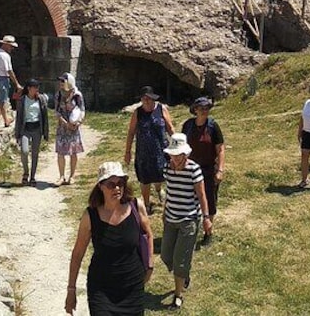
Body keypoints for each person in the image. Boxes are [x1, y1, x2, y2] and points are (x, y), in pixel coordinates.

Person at [65, 162, 153, 316]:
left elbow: (148, 234)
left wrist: (150, 265)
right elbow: (78, 253)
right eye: (111, 184)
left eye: (120, 183)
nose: (117, 188)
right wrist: (71, 290)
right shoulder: (90, 216)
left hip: (132, 286)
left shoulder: (136, 206)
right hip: (101, 288)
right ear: (100, 186)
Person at [161, 133, 211, 311]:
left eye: (178, 155)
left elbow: (202, 195)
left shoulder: (194, 170)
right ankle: (184, 275)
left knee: (180, 260)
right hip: (171, 218)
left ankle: (178, 295)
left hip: (188, 220)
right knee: (166, 256)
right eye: (172, 155)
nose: (174, 159)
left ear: (185, 155)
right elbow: (169, 191)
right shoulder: (167, 168)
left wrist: (206, 218)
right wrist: (165, 211)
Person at [181, 97, 225, 247]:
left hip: (208, 170)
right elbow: (182, 147)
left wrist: (220, 169)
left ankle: (208, 232)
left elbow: (220, 149)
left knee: (209, 201)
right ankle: (189, 230)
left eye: (206, 108)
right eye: (201, 108)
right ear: (195, 110)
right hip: (190, 169)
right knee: (190, 199)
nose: (204, 111)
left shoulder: (213, 126)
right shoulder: (187, 125)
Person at [124, 86, 175, 215]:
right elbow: (131, 132)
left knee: (160, 175)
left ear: (153, 98)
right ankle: (146, 204)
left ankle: (158, 190)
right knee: (145, 179)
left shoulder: (161, 109)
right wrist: (128, 152)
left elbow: (170, 128)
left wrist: (177, 146)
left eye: (148, 98)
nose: (146, 101)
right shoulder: (138, 112)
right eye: (143, 98)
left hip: (161, 150)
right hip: (144, 152)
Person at [14, 79, 49, 186]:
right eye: (35, 87)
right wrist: (17, 132)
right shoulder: (22, 100)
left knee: (35, 153)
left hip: (37, 128)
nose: (37, 90)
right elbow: (19, 117)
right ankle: (25, 173)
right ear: (29, 88)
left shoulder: (41, 99)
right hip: (25, 128)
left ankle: (33, 176)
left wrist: (45, 132)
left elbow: (45, 116)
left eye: (38, 87)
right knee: (24, 151)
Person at [55, 73, 85, 185]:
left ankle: (72, 176)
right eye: (60, 81)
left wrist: (78, 122)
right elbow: (57, 112)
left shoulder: (77, 95)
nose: (61, 84)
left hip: (74, 127)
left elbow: (82, 110)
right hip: (62, 127)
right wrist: (65, 123)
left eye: (63, 81)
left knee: (73, 152)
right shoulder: (58, 95)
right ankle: (61, 176)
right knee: (60, 152)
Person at [0, 35, 22, 132]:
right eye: (11, 46)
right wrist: (17, 84)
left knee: (2, 101)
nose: (12, 49)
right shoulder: (5, 56)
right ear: (6, 45)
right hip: (2, 79)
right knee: (0, 103)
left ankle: (6, 120)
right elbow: (9, 71)